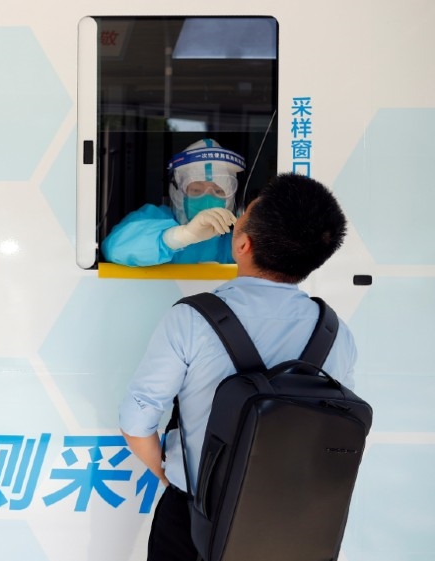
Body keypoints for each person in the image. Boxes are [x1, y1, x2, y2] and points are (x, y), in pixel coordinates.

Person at [118, 173, 355, 561]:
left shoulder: (192, 319)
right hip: (293, 521)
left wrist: (170, 475)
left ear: (241, 243)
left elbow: (136, 419)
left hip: (196, 516)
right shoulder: (334, 332)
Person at [102, 138, 246, 266]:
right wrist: (181, 236)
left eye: (218, 191)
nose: (208, 199)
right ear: (177, 193)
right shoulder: (154, 218)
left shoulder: (232, 240)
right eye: (196, 190)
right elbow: (114, 248)